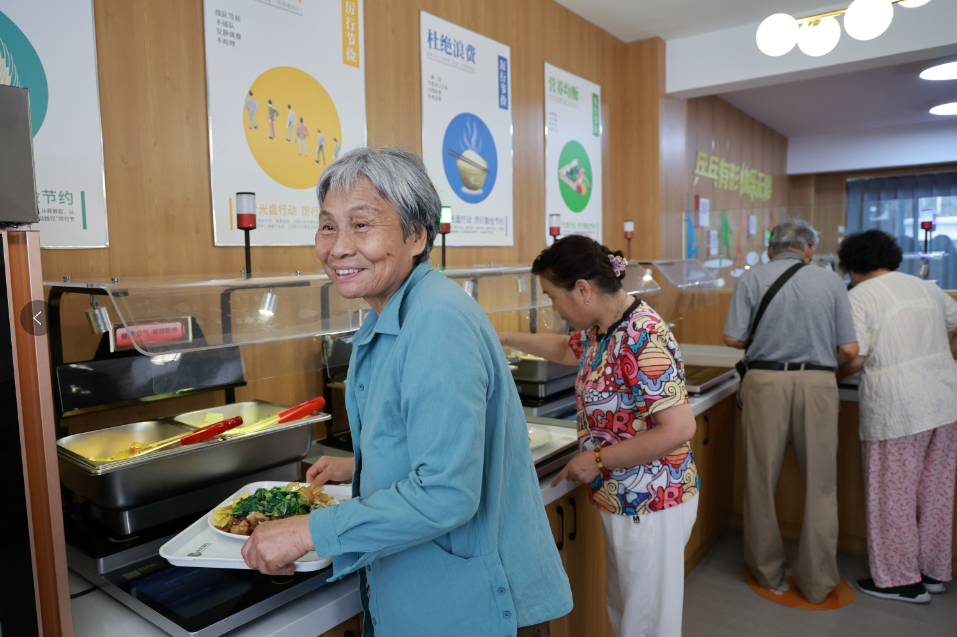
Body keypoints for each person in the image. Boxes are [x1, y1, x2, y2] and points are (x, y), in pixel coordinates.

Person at [241, 147, 572, 637]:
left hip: (474, 608)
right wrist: (363, 466)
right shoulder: (395, 312)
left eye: (362, 225)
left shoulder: (436, 320)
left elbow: (445, 493)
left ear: (417, 235)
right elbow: (430, 442)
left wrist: (308, 530)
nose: (338, 247)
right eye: (328, 226)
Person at [498, 235, 698, 637]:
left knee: (647, 623)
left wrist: (597, 459)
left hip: (651, 499)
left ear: (582, 290)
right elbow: (564, 348)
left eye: (552, 297)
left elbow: (679, 428)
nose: (553, 308)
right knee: (627, 609)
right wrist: (504, 338)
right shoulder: (604, 329)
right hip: (624, 497)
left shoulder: (642, 335)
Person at [723, 218, 859, 605]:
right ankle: (817, 582)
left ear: (771, 247)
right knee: (821, 483)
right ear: (809, 249)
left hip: (765, 382)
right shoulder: (831, 281)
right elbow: (849, 349)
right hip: (818, 385)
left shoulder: (751, 278)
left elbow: (732, 338)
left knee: (760, 479)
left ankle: (766, 571)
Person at [836, 229, 957, 604]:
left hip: (898, 407)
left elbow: (854, 355)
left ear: (853, 264)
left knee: (893, 495)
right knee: (936, 492)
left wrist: (833, 376)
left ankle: (899, 581)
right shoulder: (927, 288)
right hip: (945, 400)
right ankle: (932, 572)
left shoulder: (859, 296)